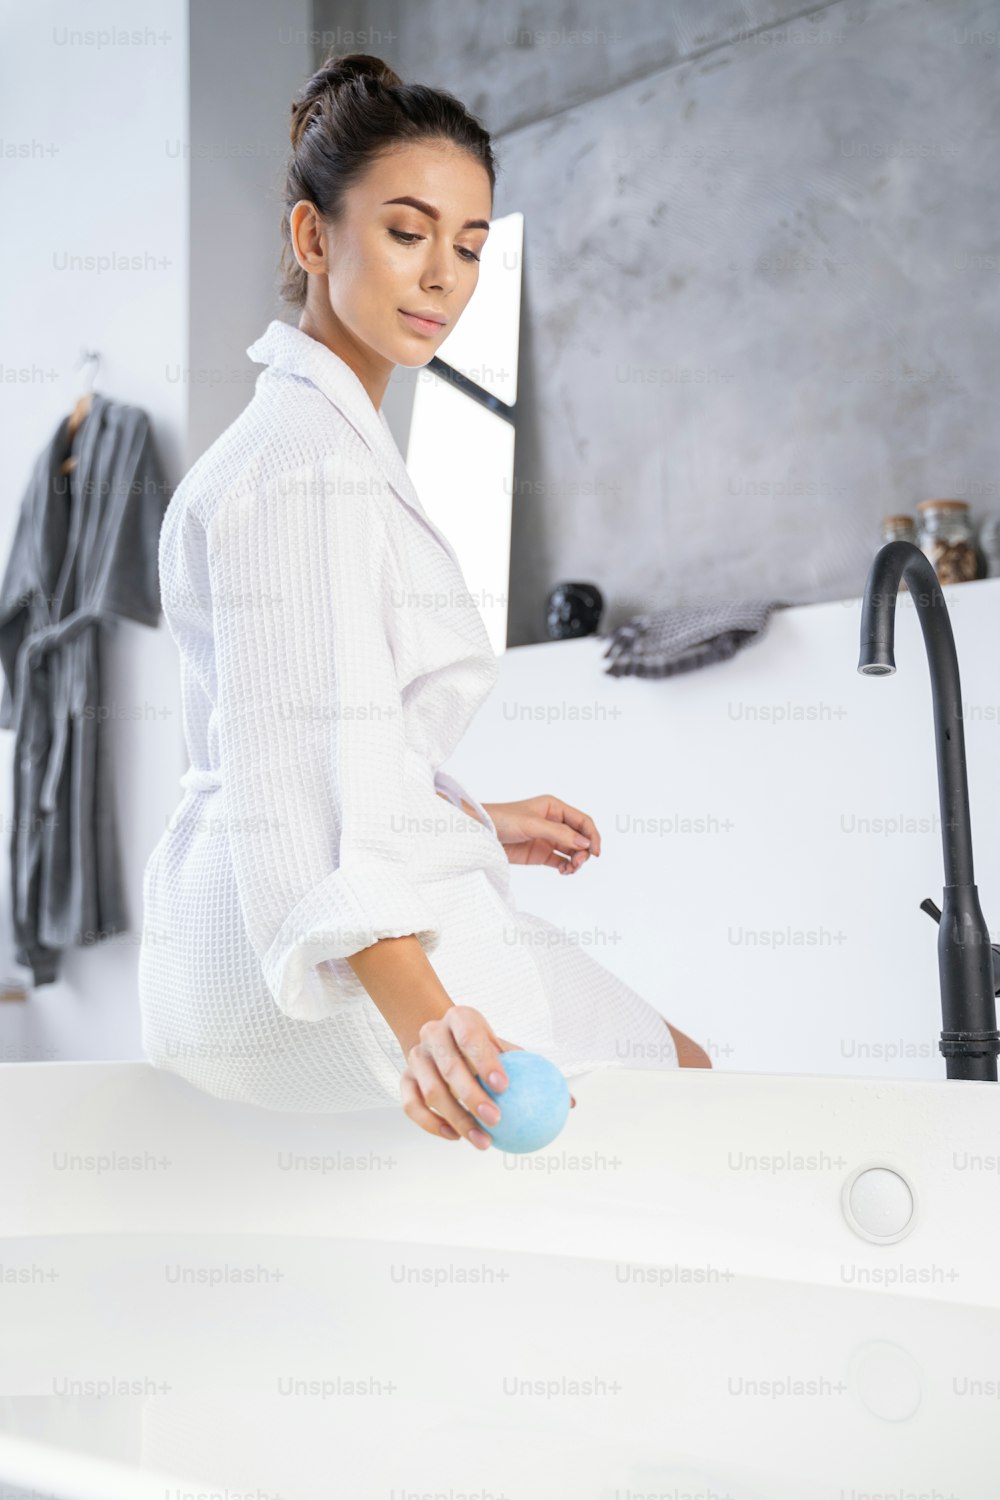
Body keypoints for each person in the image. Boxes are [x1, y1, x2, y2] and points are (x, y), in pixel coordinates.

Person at [138, 52, 710, 1154]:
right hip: (309, 962)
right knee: (688, 1090)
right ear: (314, 239)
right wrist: (428, 1022)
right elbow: (305, 761)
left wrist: (477, 825)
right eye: (407, 232)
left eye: (471, 245)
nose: (443, 275)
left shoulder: (296, 445)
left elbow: (311, 735)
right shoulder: (305, 468)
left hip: (234, 947)